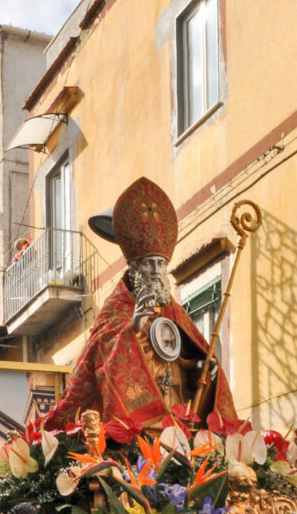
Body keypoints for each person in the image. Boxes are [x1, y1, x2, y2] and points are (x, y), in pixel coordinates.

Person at [43, 177, 239, 434]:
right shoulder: (116, 310)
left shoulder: (175, 312)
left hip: (177, 413)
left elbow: (184, 358)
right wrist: (132, 330)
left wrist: (202, 366)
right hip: (142, 421)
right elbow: (98, 361)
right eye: (149, 264)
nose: (157, 272)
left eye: (161, 264)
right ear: (134, 269)